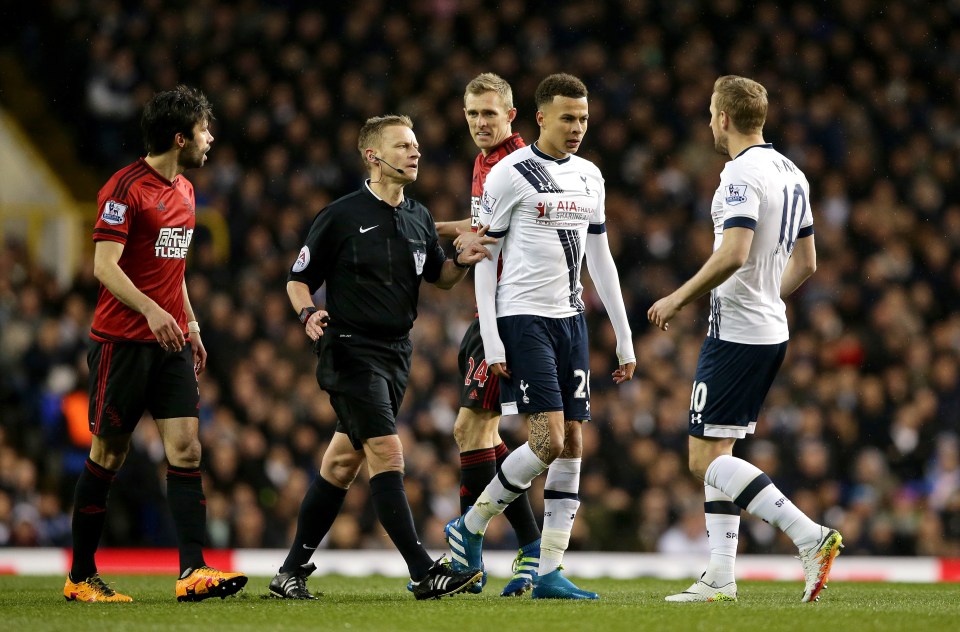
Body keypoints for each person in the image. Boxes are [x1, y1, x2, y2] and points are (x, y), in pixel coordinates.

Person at [269, 114, 487, 601]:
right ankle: (422, 571)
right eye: (404, 146)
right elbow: (297, 278)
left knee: (342, 462)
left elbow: (439, 277)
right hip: (348, 348)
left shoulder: (419, 216)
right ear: (374, 156)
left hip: (396, 354)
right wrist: (308, 313)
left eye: (416, 145)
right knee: (387, 451)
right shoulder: (341, 215)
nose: (416, 153)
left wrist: (462, 263)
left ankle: (289, 572)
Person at [647, 75, 842, 603]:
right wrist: (767, 299)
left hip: (736, 333)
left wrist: (678, 297)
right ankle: (719, 576)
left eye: (712, 114)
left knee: (701, 460)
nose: (710, 122)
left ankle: (810, 535)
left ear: (724, 118)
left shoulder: (738, 174)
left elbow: (733, 252)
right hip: (768, 328)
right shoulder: (791, 171)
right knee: (721, 452)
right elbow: (807, 262)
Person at [444, 73, 636, 600]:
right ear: (540, 119)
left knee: (573, 443)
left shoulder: (591, 176)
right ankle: (471, 525)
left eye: (583, 118)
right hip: (523, 318)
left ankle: (548, 569)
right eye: (567, 118)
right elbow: (485, 259)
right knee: (546, 440)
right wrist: (493, 336)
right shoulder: (509, 173)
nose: (577, 128)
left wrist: (623, 336)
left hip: (571, 320)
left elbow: (601, 257)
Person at [64, 85, 248, 603]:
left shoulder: (186, 192)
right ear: (179, 136)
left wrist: (189, 323)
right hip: (122, 344)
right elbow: (104, 267)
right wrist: (150, 309)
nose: (209, 139)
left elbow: (174, 267)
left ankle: (193, 571)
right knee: (109, 454)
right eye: (203, 131)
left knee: (187, 449)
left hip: (170, 344)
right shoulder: (124, 189)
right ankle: (80, 577)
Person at [433, 72, 541, 597]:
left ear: (511, 116)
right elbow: (484, 226)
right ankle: (524, 551)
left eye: (489, 114)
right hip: (486, 313)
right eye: (472, 114)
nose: (479, 123)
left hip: (509, 314)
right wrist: (440, 228)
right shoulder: (484, 163)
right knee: (485, 436)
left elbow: (498, 238)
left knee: (471, 432)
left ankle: (472, 554)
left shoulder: (517, 167)